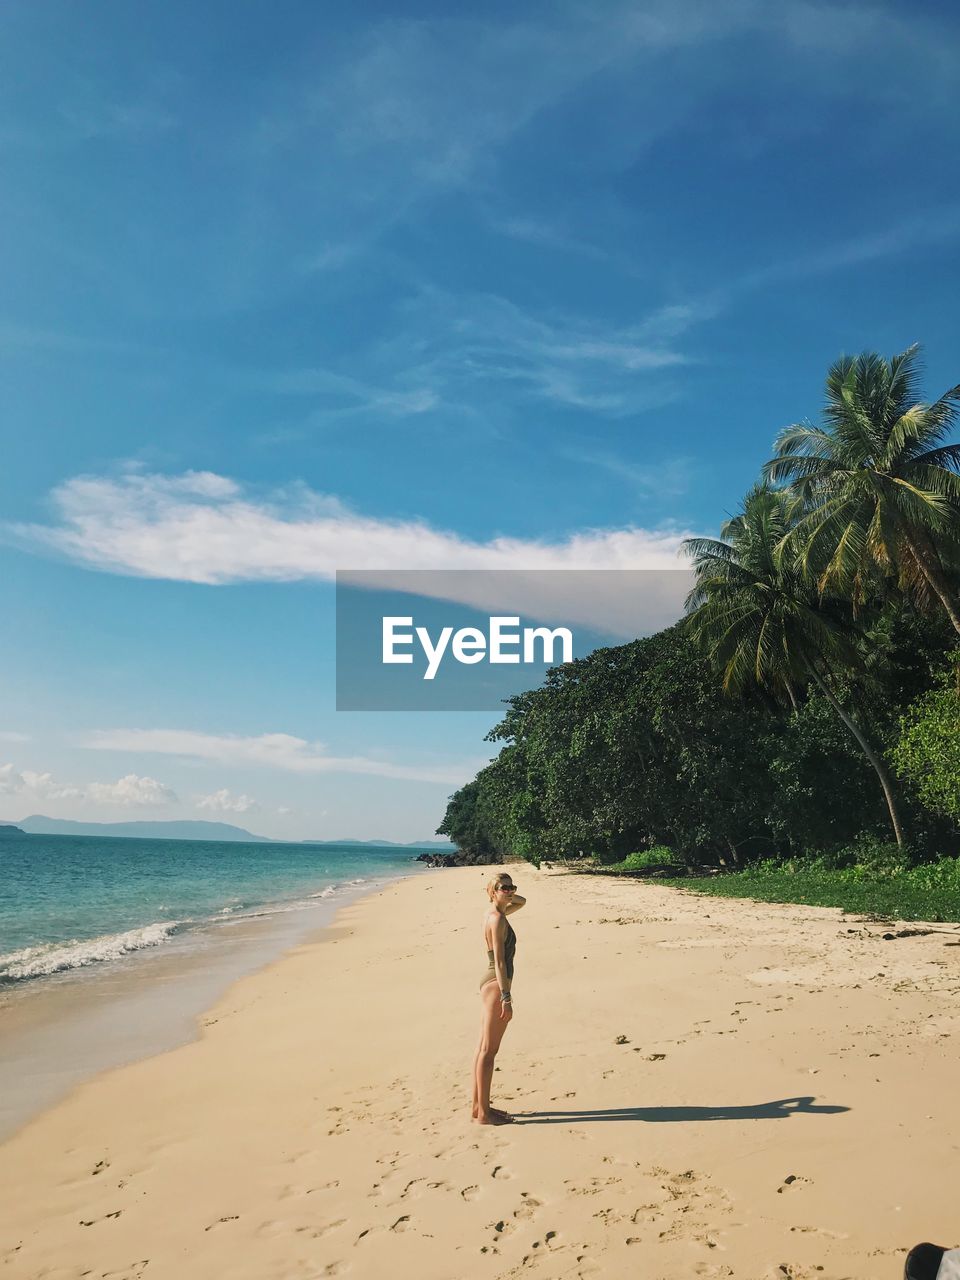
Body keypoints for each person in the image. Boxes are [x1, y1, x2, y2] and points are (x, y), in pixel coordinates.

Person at [472, 871, 526, 1125]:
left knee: (482, 1049)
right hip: (496, 983)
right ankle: (484, 1113)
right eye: (503, 887)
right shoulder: (498, 920)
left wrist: (506, 894)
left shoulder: (495, 913)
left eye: (511, 886)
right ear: (492, 890)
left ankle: (478, 1107)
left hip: (489, 982)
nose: (510, 890)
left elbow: (523, 901)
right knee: (489, 1052)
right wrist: (506, 997)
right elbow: (501, 961)